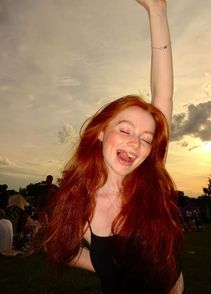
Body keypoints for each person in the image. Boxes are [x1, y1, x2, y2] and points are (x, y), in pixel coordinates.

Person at [40, 1, 184, 293]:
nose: (135, 142)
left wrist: (157, 11)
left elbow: (163, 94)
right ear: (101, 133)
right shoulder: (81, 201)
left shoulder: (150, 181)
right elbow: (59, 248)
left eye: (146, 139)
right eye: (125, 129)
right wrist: (102, 262)